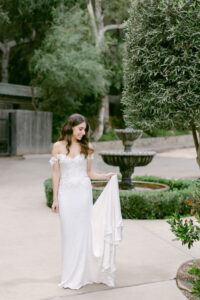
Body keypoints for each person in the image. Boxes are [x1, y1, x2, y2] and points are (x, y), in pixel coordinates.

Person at [49, 113, 123, 289]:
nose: (83, 132)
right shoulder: (58, 146)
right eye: (80, 129)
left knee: (83, 234)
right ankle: (69, 275)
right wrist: (55, 199)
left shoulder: (87, 147)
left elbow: (89, 173)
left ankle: (82, 274)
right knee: (69, 234)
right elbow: (56, 173)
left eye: (84, 129)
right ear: (71, 127)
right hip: (66, 195)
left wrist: (105, 176)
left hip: (83, 194)